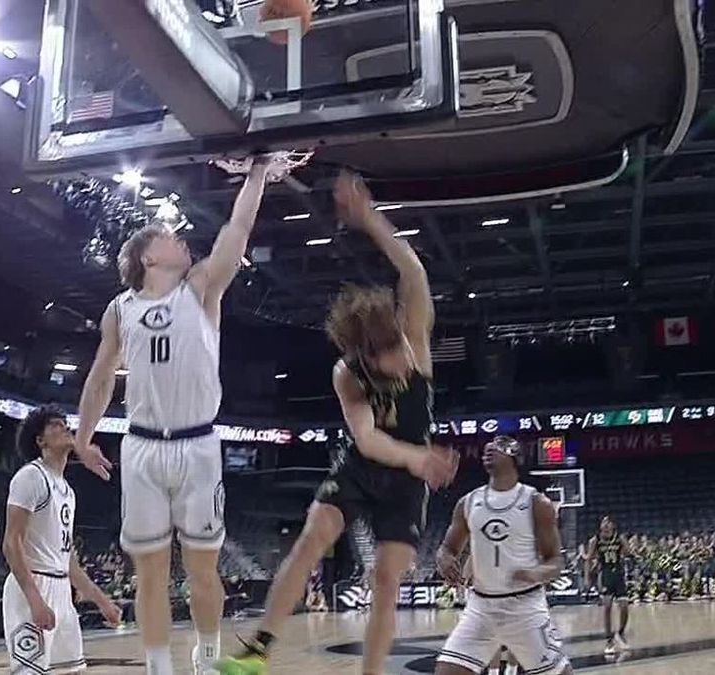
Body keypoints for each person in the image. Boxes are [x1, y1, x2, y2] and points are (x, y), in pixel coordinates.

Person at [217, 171, 459, 675]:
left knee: (386, 581)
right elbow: (366, 439)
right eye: (389, 359)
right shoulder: (346, 374)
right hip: (366, 464)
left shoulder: (413, 334)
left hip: (405, 482)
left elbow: (412, 269)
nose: (403, 363)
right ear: (365, 356)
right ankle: (257, 652)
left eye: (400, 350)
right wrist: (419, 456)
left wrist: (369, 217)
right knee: (312, 537)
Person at [74, 160, 272, 675]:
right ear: (147, 257)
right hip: (142, 446)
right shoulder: (119, 309)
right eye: (169, 236)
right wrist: (83, 437)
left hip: (198, 445)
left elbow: (238, 229)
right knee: (150, 575)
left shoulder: (201, 287)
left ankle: (206, 662)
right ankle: (159, 668)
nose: (181, 240)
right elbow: (100, 377)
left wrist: (257, 174)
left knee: (203, 571)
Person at [431, 435, 571, 675]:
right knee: (447, 671)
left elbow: (556, 561)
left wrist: (536, 573)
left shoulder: (537, 503)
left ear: (515, 455)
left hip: (524, 607)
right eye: (487, 447)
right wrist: (444, 560)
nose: (488, 448)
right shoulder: (468, 502)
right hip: (481, 607)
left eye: (498, 446)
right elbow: (447, 548)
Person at [2, 404, 122, 674]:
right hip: (33, 584)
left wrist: (102, 601)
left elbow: (68, 561)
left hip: (61, 588)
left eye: (65, 423)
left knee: (72, 670)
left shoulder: (67, 490)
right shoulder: (31, 476)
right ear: (40, 440)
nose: (65, 428)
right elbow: (11, 543)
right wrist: (35, 600)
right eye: (55, 425)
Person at [585, 515, 630, 655]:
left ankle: (620, 632)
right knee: (607, 607)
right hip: (605, 574)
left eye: (608, 523)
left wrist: (626, 545)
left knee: (624, 606)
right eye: (603, 523)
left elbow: (628, 552)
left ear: (613, 525)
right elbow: (588, 559)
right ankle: (609, 640)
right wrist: (587, 577)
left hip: (618, 574)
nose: (605, 525)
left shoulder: (619, 538)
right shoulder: (595, 540)